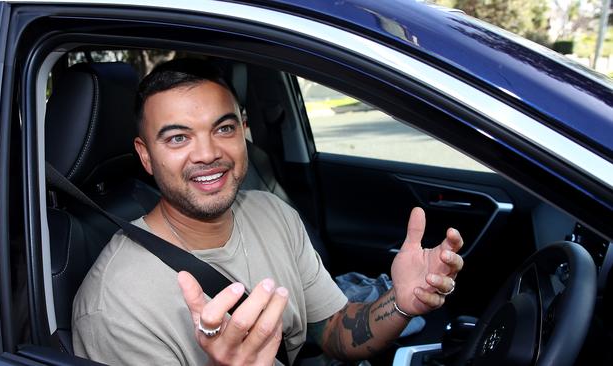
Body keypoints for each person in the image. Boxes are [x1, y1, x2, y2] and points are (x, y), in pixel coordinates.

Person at [72, 59, 464, 365]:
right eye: (178, 138)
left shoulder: (272, 213)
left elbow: (334, 333)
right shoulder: (114, 304)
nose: (208, 154)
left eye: (223, 129)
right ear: (145, 154)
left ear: (244, 129)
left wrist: (400, 303)